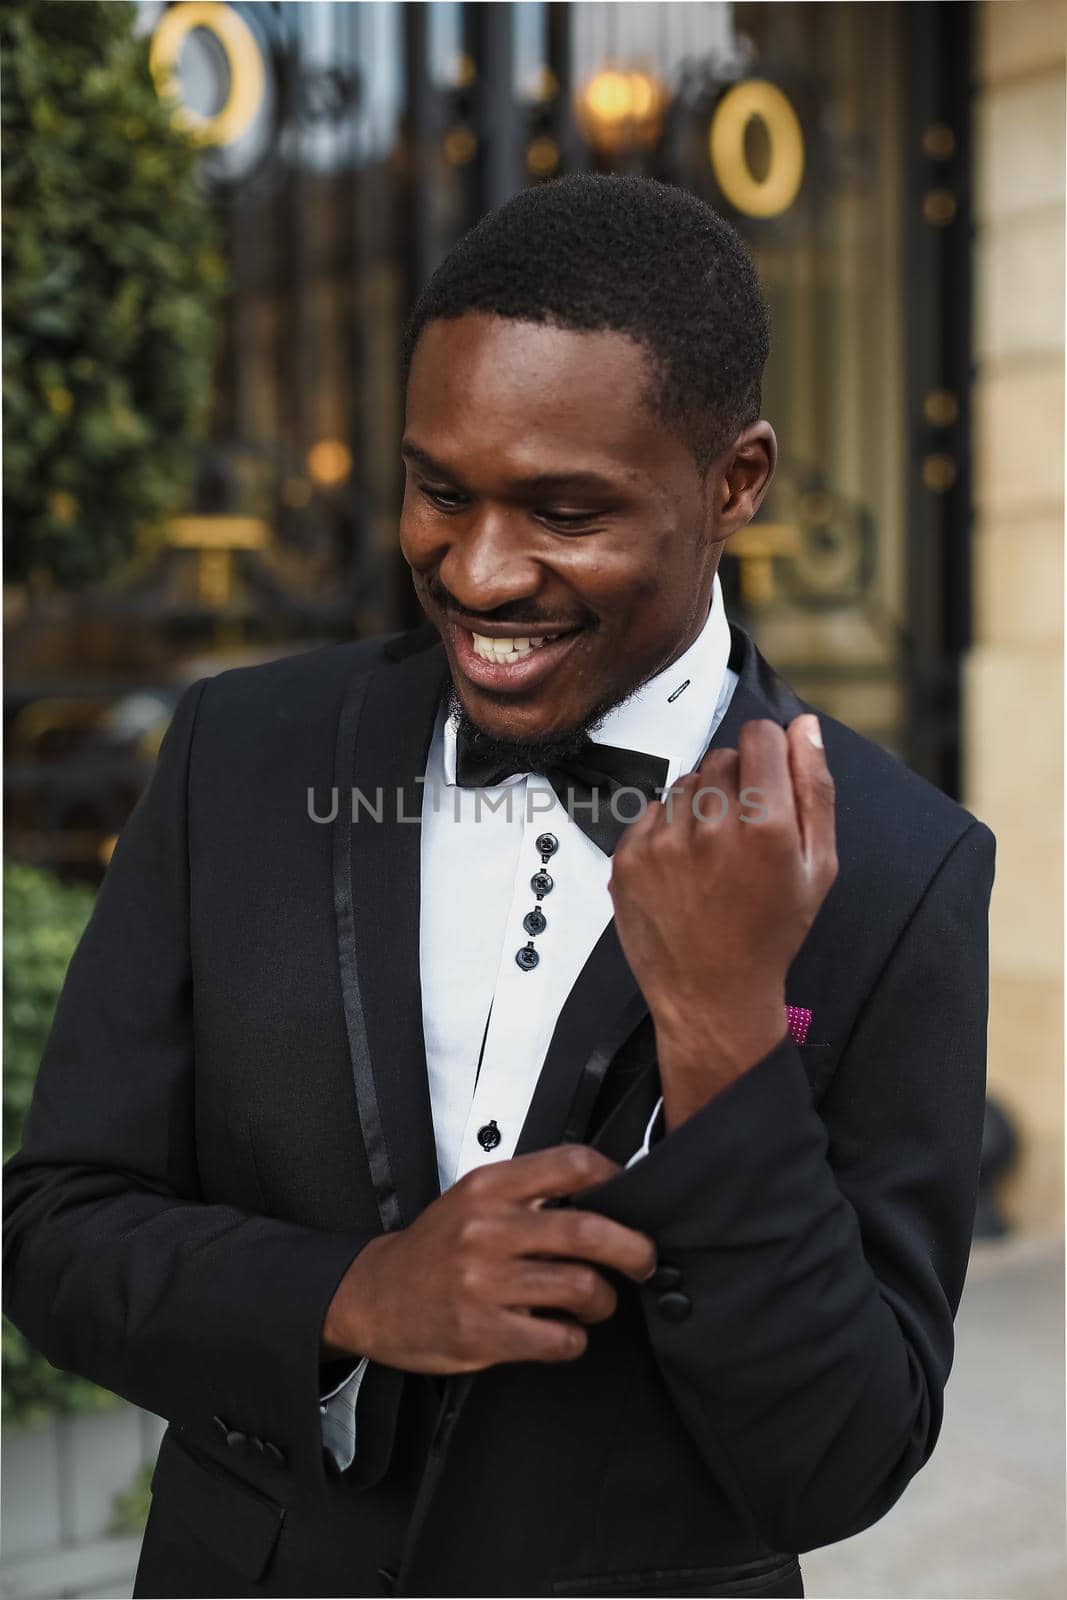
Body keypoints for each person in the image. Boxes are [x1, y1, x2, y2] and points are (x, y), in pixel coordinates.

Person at [3, 175, 995, 1600]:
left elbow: (840, 1461)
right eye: (439, 490)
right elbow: (54, 1231)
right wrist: (350, 1296)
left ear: (736, 482)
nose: (476, 570)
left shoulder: (906, 869)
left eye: (567, 509)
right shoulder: (242, 752)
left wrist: (721, 1035)